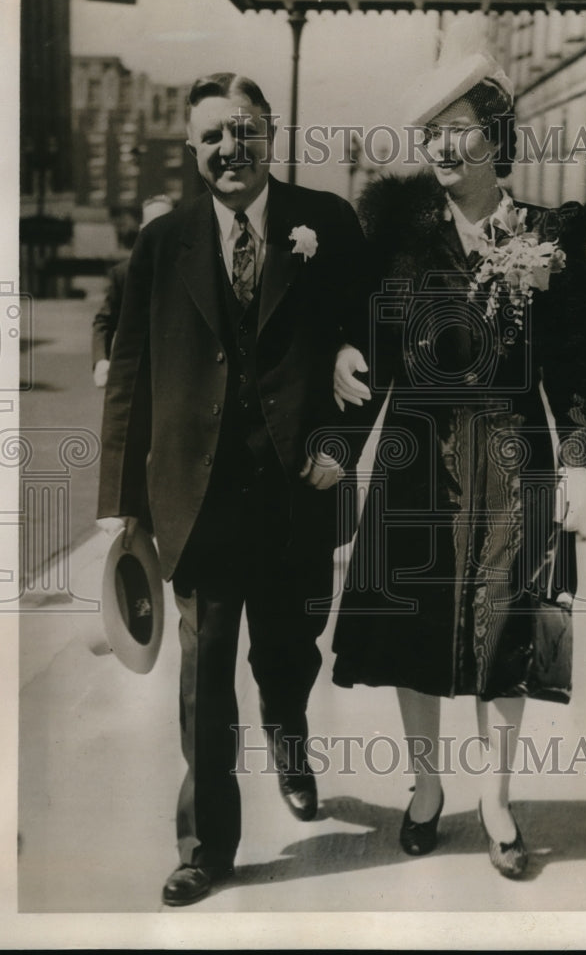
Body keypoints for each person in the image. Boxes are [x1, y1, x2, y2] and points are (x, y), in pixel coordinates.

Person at [97, 72, 367, 906]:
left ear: (271, 133)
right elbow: (132, 372)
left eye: (244, 130)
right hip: (199, 498)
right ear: (192, 148)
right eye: (212, 134)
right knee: (204, 674)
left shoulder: (325, 223)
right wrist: (122, 503)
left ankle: (290, 736)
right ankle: (205, 843)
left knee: (287, 654)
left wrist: (341, 442)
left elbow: (371, 337)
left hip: (297, 489)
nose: (229, 149)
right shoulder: (163, 242)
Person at [332, 53, 586, 878]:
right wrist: (343, 381)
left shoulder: (547, 237)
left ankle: (495, 798)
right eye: (430, 136)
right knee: (414, 623)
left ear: (496, 138)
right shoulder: (397, 239)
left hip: (516, 456)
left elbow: (576, 372)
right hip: (417, 451)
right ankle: (423, 787)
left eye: (458, 133)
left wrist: (582, 466)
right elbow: (369, 347)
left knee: (506, 629)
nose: (442, 149)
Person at [92, 195, 175, 387]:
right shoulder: (124, 274)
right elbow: (103, 321)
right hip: (136, 378)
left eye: (167, 224)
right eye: (153, 226)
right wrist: (101, 360)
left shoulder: (195, 271)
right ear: (142, 230)